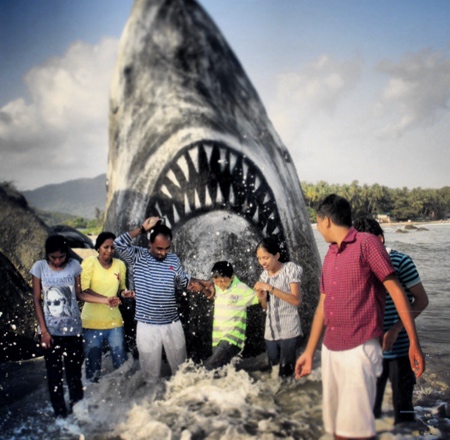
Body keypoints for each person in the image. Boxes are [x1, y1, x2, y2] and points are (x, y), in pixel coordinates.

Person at [295, 194, 425, 440]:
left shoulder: (366, 243)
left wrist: (413, 342)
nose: (318, 227)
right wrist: (310, 352)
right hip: (332, 349)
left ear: (326, 221)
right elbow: (323, 305)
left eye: (317, 221)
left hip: (360, 348)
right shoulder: (331, 254)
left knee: (355, 431)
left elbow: (396, 291)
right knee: (335, 428)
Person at [114, 216, 214, 383]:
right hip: (147, 326)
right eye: (159, 248)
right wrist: (142, 229)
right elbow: (118, 243)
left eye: (166, 249)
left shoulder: (173, 259)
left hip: (172, 325)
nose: (163, 253)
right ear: (149, 244)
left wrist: (202, 286)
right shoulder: (138, 256)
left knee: (181, 373)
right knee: (150, 377)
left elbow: (183, 282)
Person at [31, 235, 118, 418]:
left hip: (73, 331)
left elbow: (79, 294)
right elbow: (37, 301)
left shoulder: (74, 266)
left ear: (66, 254)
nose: (57, 261)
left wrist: (104, 300)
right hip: (50, 332)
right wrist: (44, 332)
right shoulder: (39, 268)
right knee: (54, 377)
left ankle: (77, 415)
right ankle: (60, 417)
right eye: (52, 257)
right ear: (47, 255)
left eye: (61, 257)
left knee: (74, 377)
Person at [353, 216, 429, 425]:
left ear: (381, 239)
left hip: (399, 349)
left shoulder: (400, 261)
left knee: (403, 410)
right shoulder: (357, 264)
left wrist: (396, 329)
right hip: (368, 350)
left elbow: (421, 300)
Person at [81, 232, 136, 382]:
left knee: (121, 365)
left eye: (113, 247)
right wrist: (105, 299)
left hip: (114, 322)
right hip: (91, 322)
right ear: (98, 248)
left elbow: (121, 289)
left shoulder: (120, 265)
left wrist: (126, 293)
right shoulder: (89, 263)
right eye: (106, 247)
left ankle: (123, 398)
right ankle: (90, 401)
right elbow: (84, 289)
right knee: (93, 367)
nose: (109, 251)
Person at [254, 236, 303, 378]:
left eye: (266, 257)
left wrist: (270, 288)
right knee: (274, 372)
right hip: (271, 332)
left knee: (285, 373)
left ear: (276, 255)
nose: (262, 262)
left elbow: (296, 300)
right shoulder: (264, 275)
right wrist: (262, 298)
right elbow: (265, 307)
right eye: (259, 258)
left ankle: (291, 397)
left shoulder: (290, 269)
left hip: (289, 330)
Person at [203, 261, 259, 370]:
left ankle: (194, 383)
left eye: (223, 281)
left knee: (209, 366)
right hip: (217, 338)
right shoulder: (216, 287)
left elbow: (260, 298)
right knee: (220, 370)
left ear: (232, 278)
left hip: (232, 339)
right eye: (217, 281)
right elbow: (207, 286)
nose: (220, 285)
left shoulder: (241, 289)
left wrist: (266, 291)